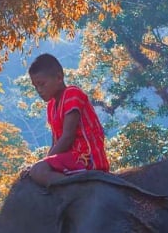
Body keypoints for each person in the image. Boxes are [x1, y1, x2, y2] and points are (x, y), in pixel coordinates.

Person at [23, 53, 109, 187]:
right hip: (69, 159)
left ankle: (75, 190)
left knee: (39, 171)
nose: (39, 90)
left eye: (42, 84)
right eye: (35, 86)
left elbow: (68, 137)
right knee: (34, 170)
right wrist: (46, 161)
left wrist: (44, 162)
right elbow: (55, 142)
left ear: (59, 77)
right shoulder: (51, 106)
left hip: (87, 158)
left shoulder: (72, 94)